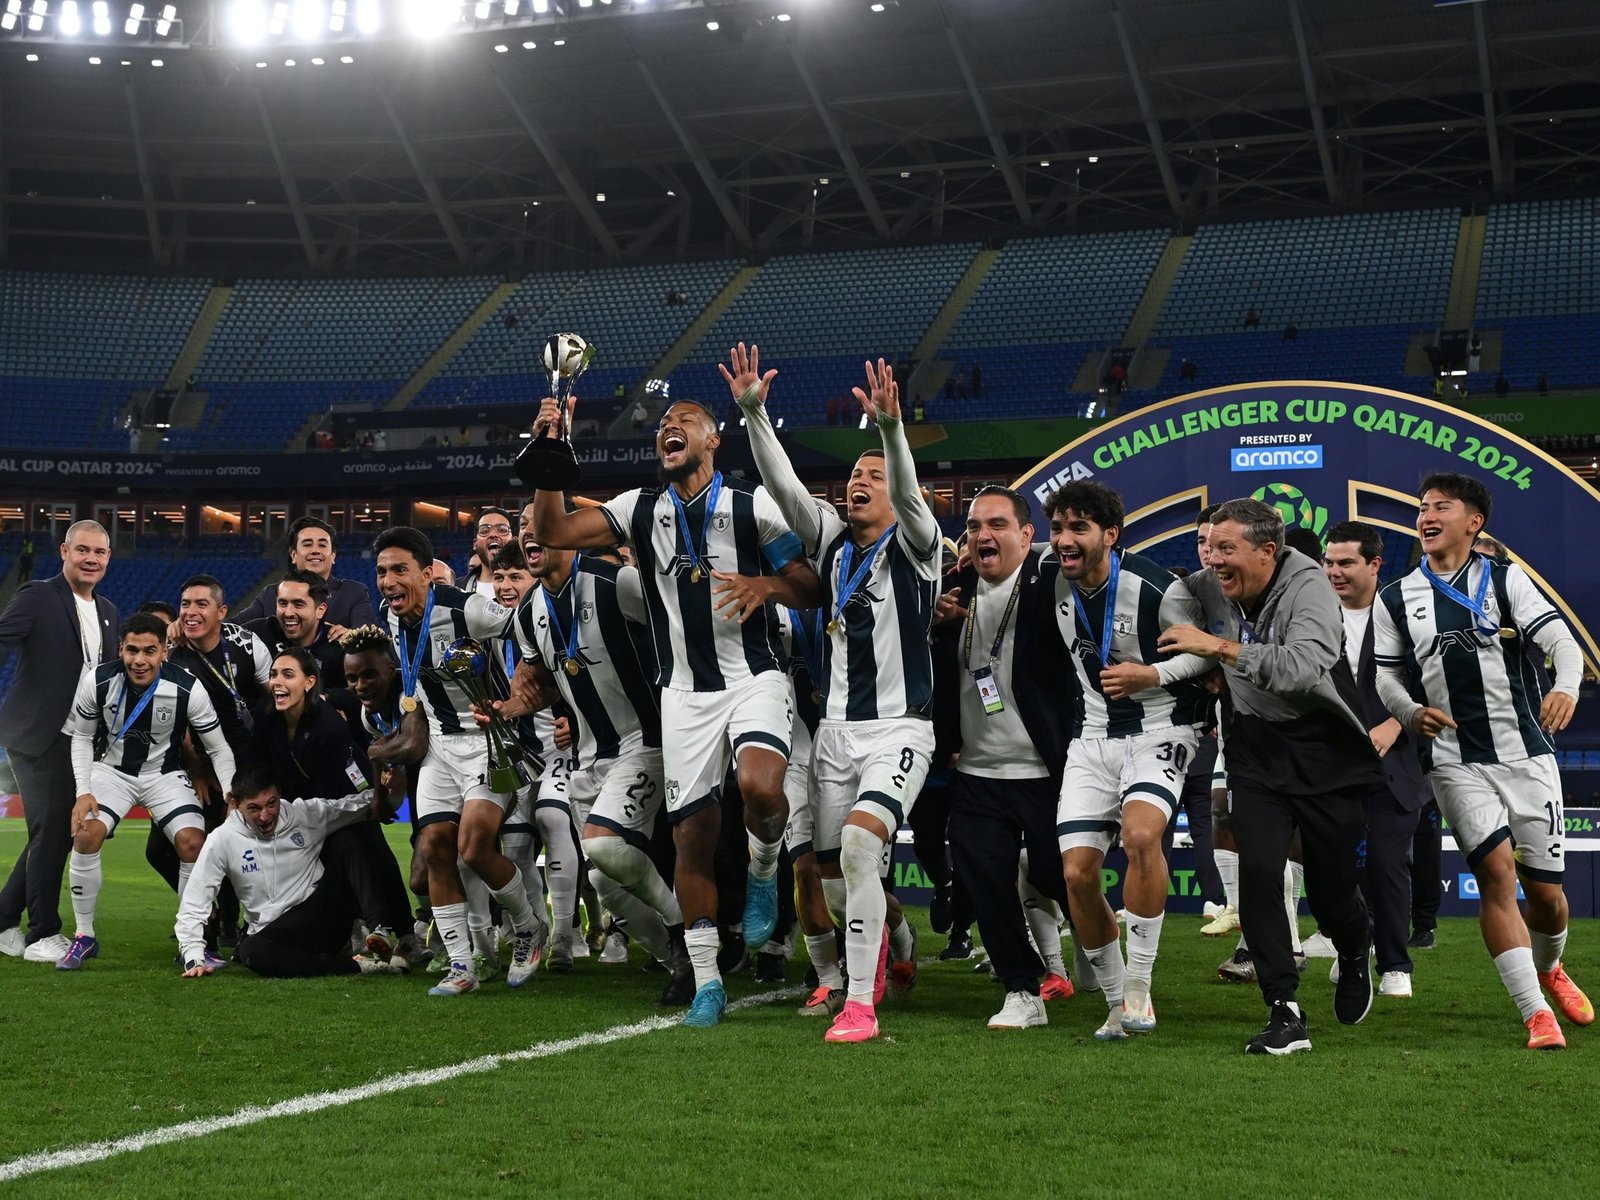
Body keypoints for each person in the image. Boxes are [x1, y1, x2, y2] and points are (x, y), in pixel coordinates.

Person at [528, 377, 822, 1027]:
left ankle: (765, 868)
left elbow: (808, 583)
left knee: (761, 788)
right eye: (664, 421)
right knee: (691, 835)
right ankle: (709, 980)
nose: (672, 425)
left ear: (713, 440)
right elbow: (552, 527)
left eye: (686, 418)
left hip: (754, 677)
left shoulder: (752, 509)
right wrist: (553, 452)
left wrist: (764, 583)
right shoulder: (638, 509)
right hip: (683, 695)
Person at [732, 351, 939, 1043]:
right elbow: (788, 490)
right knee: (831, 875)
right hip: (835, 737)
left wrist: (890, 433)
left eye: (873, 477)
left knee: (857, 844)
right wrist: (754, 413)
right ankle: (899, 945)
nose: (861, 483)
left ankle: (860, 1004)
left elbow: (910, 497)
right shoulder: (831, 550)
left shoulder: (919, 545)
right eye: (854, 475)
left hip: (900, 731)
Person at [1373, 471, 1590, 1049]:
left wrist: (1565, 685)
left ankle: (1551, 967)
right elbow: (1386, 675)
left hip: (1526, 755)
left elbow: (1561, 643)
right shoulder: (1395, 597)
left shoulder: (1506, 579)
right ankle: (1535, 1012)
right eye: (1422, 507)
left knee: (1547, 896)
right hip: (1454, 761)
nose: (1426, 515)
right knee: (1496, 873)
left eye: (1441, 506)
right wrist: (1411, 710)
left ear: (1474, 522)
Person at [1159, 497, 1380, 1055]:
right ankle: (1285, 1009)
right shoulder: (1209, 581)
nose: (1214, 561)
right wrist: (1204, 665)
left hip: (1322, 745)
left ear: (1267, 550)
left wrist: (1218, 648)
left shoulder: (1311, 589)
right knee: (1258, 871)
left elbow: (1301, 669)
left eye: (1226, 549)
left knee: (1333, 891)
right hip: (1254, 748)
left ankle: (1354, 947)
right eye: (1209, 548)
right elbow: (1175, 608)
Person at [1044, 481, 1210, 1040]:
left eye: (1078, 529)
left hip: (1163, 726)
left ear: (1110, 535)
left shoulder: (1160, 588)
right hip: (1091, 736)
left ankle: (1139, 984)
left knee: (1142, 838)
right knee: (1077, 872)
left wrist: (1153, 675)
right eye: (1058, 529)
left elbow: (1203, 651)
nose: (1065, 541)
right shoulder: (1050, 580)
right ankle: (1117, 1002)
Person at [502, 515, 692, 1002]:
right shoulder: (529, 613)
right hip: (587, 759)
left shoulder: (617, 583)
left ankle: (686, 935)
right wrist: (517, 704)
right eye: (521, 525)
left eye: (535, 522)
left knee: (605, 847)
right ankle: (681, 965)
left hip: (646, 742)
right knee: (604, 884)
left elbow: (680, 625)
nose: (528, 532)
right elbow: (546, 679)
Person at [374, 525, 545, 996]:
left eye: (399, 570)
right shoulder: (390, 618)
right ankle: (461, 964)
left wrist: (523, 685)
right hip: (440, 750)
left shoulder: (466, 607)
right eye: (382, 572)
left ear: (427, 574)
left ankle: (529, 929)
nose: (388, 581)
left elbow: (527, 627)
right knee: (433, 850)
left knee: (473, 848)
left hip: (491, 743)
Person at [943, 487, 1075, 1029]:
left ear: (1027, 535)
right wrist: (934, 620)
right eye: (974, 527)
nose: (982, 535)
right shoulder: (952, 593)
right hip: (975, 771)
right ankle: (1023, 990)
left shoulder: (1051, 586)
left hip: (1045, 770)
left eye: (997, 525)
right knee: (985, 879)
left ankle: (1098, 944)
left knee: (1057, 874)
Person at [59, 613, 237, 969]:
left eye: (149, 651)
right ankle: (84, 936)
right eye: (132, 650)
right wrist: (83, 791)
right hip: (112, 772)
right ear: (121, 649)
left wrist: (232, 795)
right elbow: (80, 736)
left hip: (165, 775)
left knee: (191, 842)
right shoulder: (97, 680)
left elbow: (218, 748)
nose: (139, 660)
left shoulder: (187, 687)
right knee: (85, 834)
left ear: (164, 652)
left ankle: (193, 939)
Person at [246, 646, 414, 961]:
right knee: (357, 843)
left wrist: (377, 799)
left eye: (287, 674)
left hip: (335, 803)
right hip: (293, 811)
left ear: (310, 682)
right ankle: (383, 929)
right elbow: (254, 766)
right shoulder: (265, 715)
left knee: (358, 839)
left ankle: (391, 930)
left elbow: (340, 793)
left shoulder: (328, 725)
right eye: (273, 675)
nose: (277, 682)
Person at [1321, 521, 1430, 999]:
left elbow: (1435, 679)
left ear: (1374, 564)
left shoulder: (1407, 614)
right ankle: (1352, 950)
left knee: (1386, 863)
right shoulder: (1314, 617)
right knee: (1339, 869)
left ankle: (1395, 964)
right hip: (1330, 768)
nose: (1334, 572)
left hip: (1396, 764)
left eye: (1345, 562)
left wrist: (1397, 721)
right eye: (1329, 562)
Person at [0, 520, 117, 963]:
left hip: (78, 740)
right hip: (35, 736)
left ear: (108, 558)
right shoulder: (37, 595)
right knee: (52, 833)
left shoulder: (107, 609)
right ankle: (43, 934)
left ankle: (4, 916)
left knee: (51, 834)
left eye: (99, 553)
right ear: (65, 551)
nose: (91, 559)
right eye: (82, 550)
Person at [175, 760, 404, 979]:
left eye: (271, 804)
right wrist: (194, 957)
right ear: (235, 803)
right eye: (254, 808)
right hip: (276, 932)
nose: (265, 816)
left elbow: (358, 806)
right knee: (252, 952)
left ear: (279, 794)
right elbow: (195, 900)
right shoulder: (222, 839)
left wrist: (394, 792)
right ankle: (360, 966)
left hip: (323, 915)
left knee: (348, 837)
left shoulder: (303, 814)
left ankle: (380, 927)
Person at [230, 517, 378, 635]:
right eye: (307, 544)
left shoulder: (353, 592)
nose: (315, 550)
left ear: (333, 555)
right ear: (293, 555)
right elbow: (233, 628)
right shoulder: (271, 594)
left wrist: (351, 635)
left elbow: (369, 634)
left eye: (322, 545)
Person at [244, 569, 348, 690]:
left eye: (298, 604)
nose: (288, 613)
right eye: (282, 603)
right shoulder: (257, 634)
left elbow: (359, 694)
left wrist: (327, 698)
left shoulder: (340, 647)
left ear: (320, 610)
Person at [460, 508, 515, 597]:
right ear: (475, 544)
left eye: (502, 530)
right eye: (485, 531)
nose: (493, 534)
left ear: (513, 541)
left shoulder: (533, 587)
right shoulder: (457, 589)